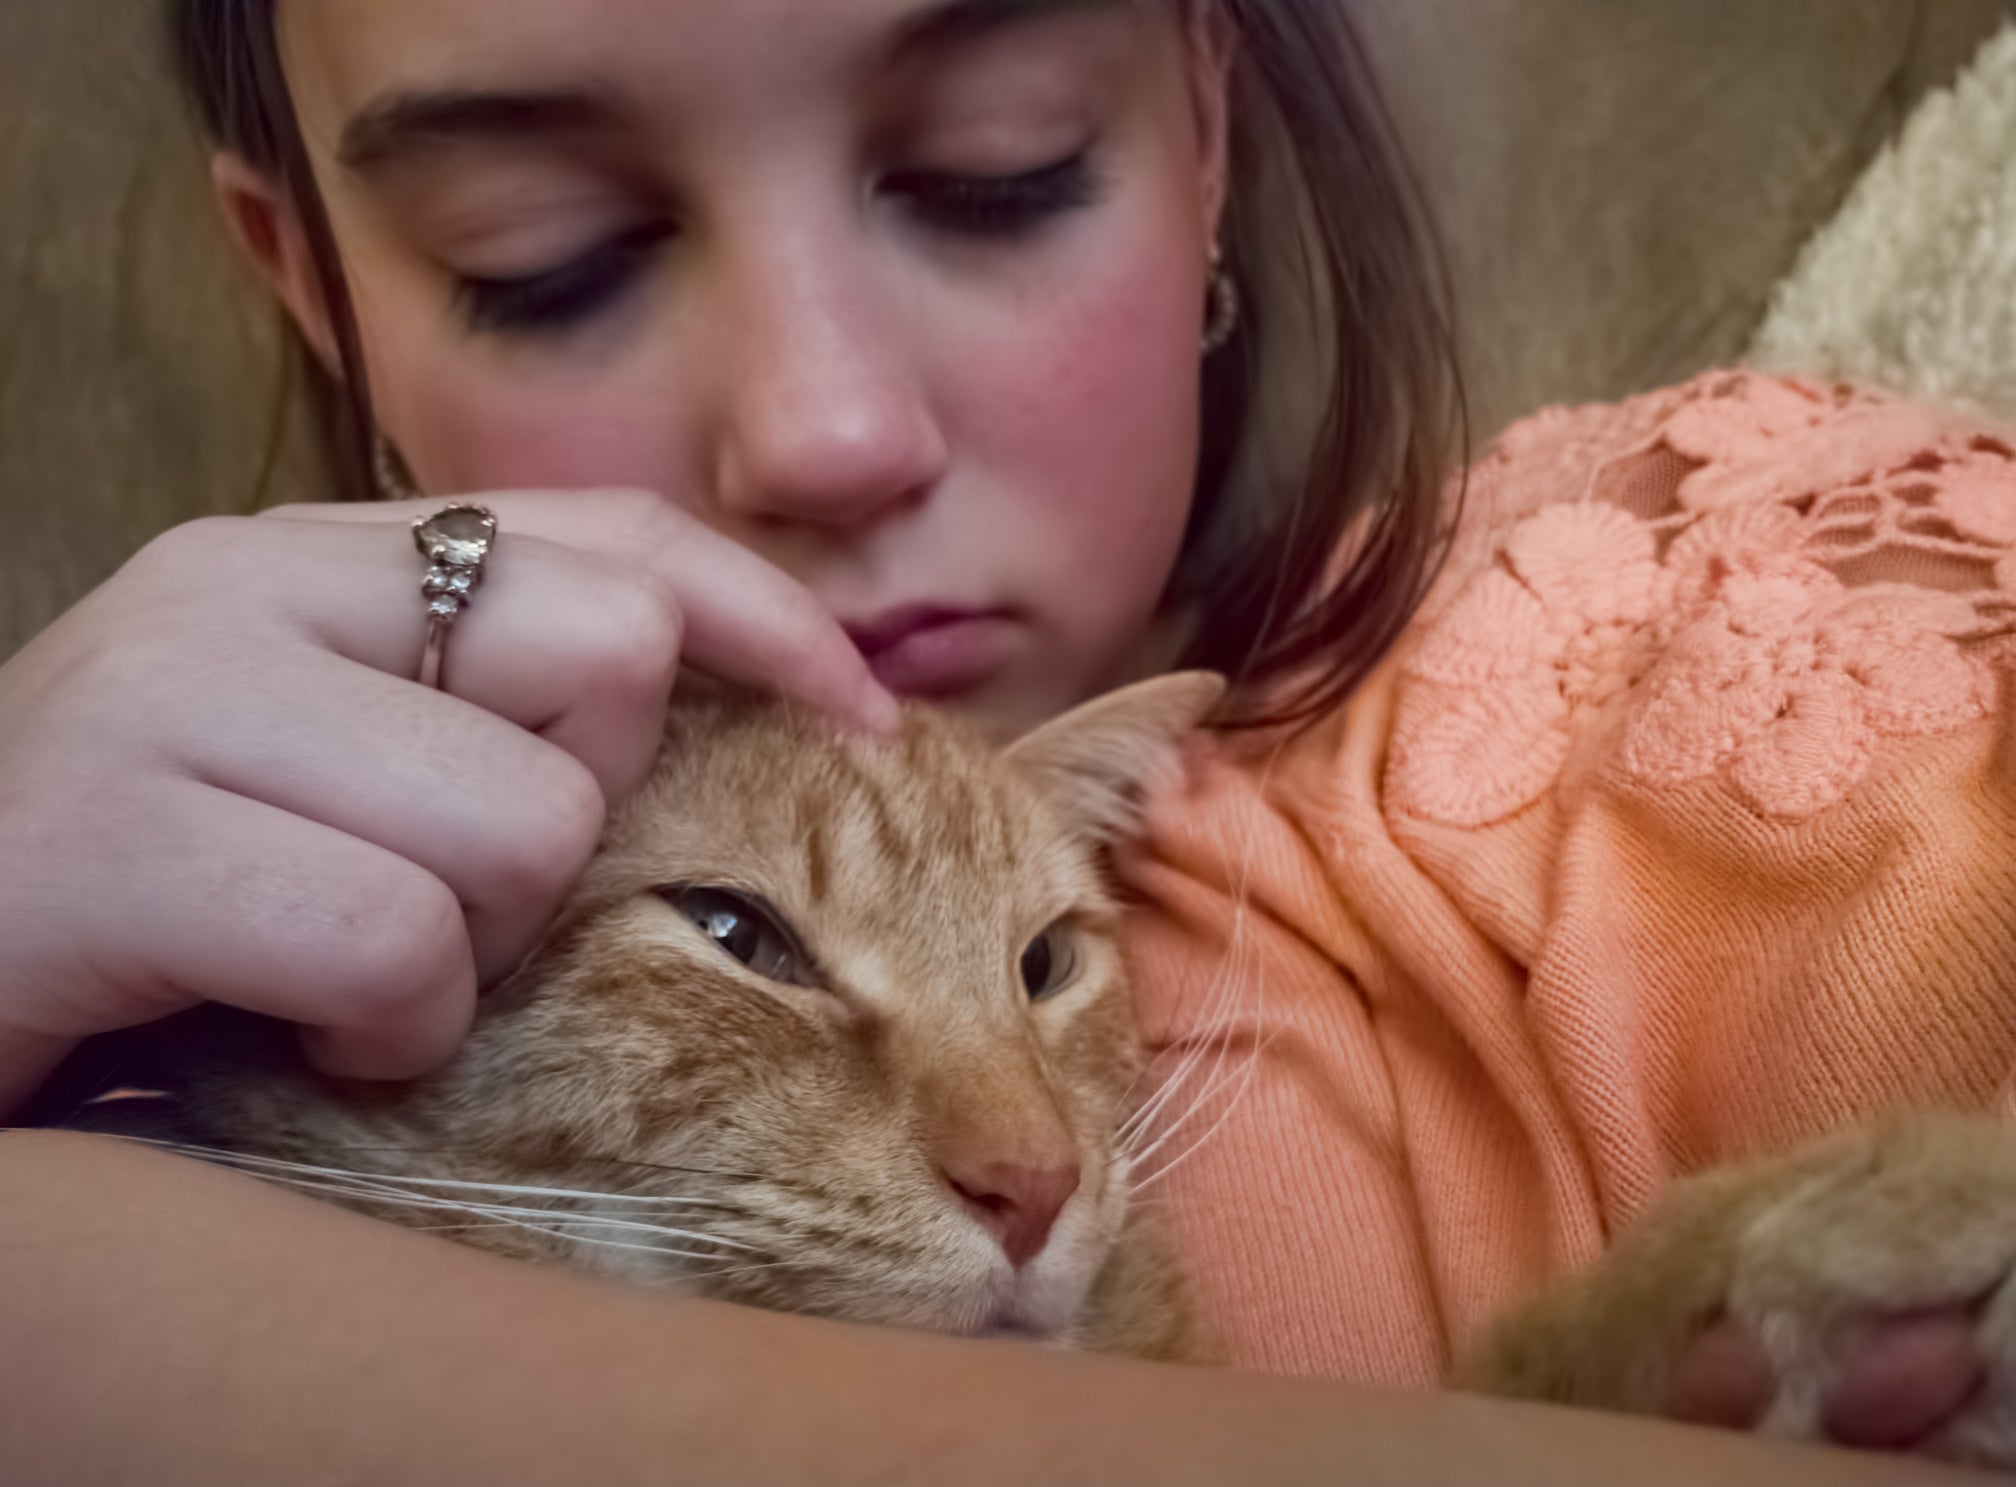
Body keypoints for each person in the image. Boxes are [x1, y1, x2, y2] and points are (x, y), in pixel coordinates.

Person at [0, 1, 2005, 1481]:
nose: (827, 431)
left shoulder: (1697, 600)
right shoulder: (190, 892)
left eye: (997, 170)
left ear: (1203, 130)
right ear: (323, 297)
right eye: (551, 257)